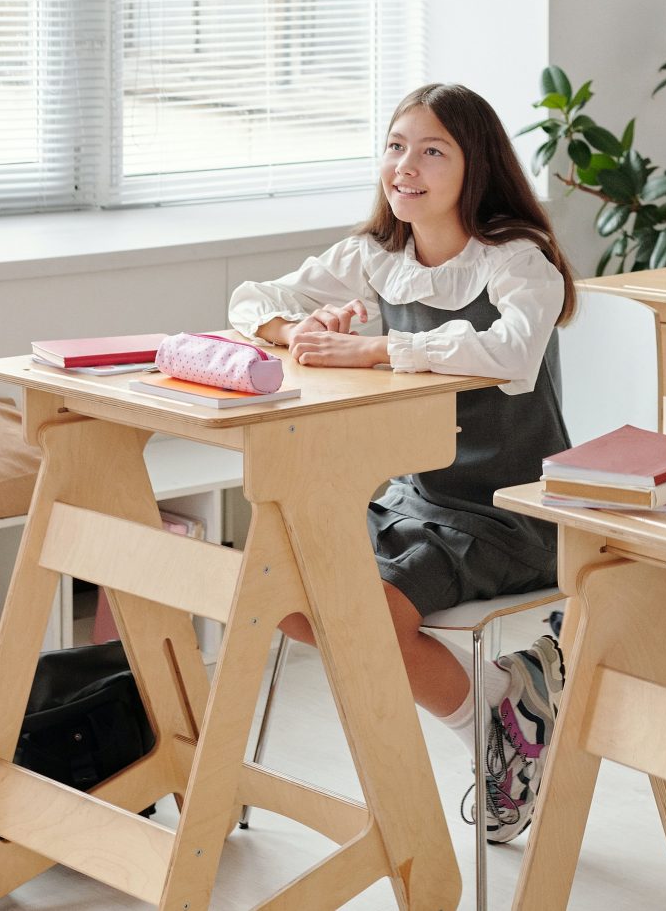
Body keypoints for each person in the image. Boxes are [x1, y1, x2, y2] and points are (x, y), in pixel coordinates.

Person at [229, 82, 575, 844]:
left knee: (369, 616)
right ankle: (502, 711)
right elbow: (251, 300)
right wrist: (301, 327)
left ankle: (502, 725)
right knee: (281, 592)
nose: (404, 166)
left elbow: (512, 353)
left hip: (512, 511)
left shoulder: (518, 261)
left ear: (474, 165)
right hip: (418, 501)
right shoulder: (378, 257)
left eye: (430, 150)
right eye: (394, 146)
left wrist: (378, 348)